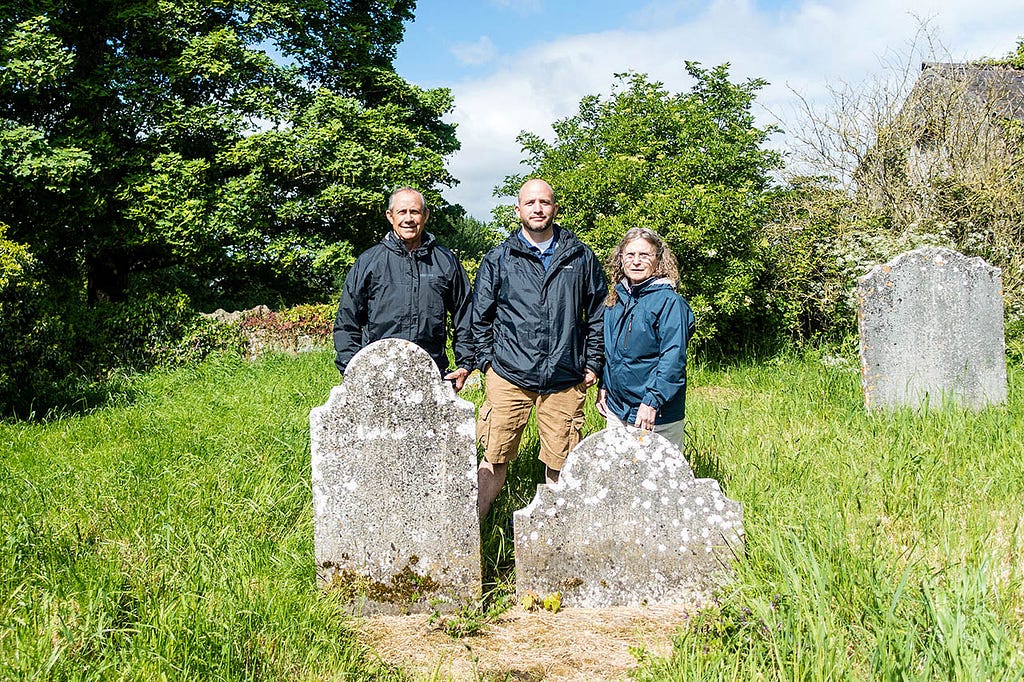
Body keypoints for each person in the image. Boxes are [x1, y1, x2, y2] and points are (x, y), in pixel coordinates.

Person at [472, 178, 606, 519]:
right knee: (494, 458)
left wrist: (592, 363)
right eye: (530, 203)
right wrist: (488, 362)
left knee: (562, 465)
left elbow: (599, 313)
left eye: (544, 202)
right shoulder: (499, 258)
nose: (537, 208)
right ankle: (471, 532)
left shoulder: (580, 256)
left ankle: (556, 542)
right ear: (518, 210)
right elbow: (480, 317)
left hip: (564, 376)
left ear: (554, 208)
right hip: (509, 376)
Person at [333, 187, 472, 390]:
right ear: (390, 216)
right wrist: (352, 368)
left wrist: (465, 363)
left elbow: (465, 314)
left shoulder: (445, 261)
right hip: (376, 375)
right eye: (402, 212)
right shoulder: (369, 262)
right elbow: (347, 321)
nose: (409, 219)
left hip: (430, 372)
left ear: (425, 215)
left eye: (414, 212)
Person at [597, 227, 696, 450]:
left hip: (655, 413)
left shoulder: (670, 302)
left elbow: (673, 359)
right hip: (617, 409)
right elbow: (612, 352)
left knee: (661, 482)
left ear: (658, 260)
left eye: (645, 255)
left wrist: (652, 401)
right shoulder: (616, 298)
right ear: (620, 259)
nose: (636, 262)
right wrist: (605, 385)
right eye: (630, 255)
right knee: (618, 476)